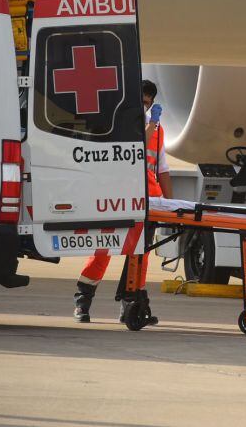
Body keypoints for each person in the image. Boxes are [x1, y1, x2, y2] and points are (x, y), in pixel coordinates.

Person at [73, 80, 170, 324]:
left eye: (147, 103)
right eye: (139, 100)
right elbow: (136, 146)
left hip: (149, 199)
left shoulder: (157, 130)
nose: (142, 106)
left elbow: (163, 168)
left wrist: (170, 204)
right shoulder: (116, 124)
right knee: (103, 249)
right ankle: (82, 302)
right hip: (117, 197)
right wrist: (152, 125)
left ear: (152, 104)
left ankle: (132, 306)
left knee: (141, 255)